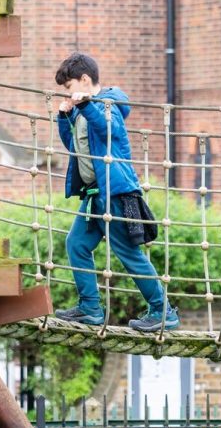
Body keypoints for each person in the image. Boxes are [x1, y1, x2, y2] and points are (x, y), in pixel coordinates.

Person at [52, 53, 178, 331]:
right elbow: (74, 145)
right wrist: (65, 116)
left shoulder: (110, 103)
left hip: (116, 194)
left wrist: (84, 107)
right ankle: (90, 307)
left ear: (85, 80)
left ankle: (162, 311)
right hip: (93, 196)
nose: (68, 93)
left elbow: (109, 130)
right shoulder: (85, 108)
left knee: (129, 255)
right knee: (77, 245)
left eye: (70, 86)